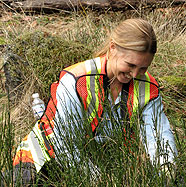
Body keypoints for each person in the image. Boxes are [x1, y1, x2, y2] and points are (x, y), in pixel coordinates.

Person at [12, 18, 177, 185]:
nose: (135, 75)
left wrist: (166, 173)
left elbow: (159, 138)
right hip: (46, 158)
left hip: (100, 160)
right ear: (113, 48)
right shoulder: (76, 81)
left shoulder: (147, 86)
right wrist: (99, 180)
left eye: (143, 68)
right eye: (130, 64)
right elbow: (66, 146)